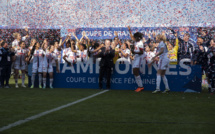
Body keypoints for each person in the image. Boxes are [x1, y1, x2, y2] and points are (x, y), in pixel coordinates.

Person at [128, 26, 144, 92]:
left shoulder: (140, 43)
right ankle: (140, 86)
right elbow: (132, 37)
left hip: (139, 58)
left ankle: (140, 86)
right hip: (136, 57)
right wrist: (129, 30)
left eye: (135, 37)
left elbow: (141, 52)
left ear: (138, 38)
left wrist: (134, 52)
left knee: (135, 71)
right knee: (134, 71)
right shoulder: (136, 41)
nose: (134, 38)